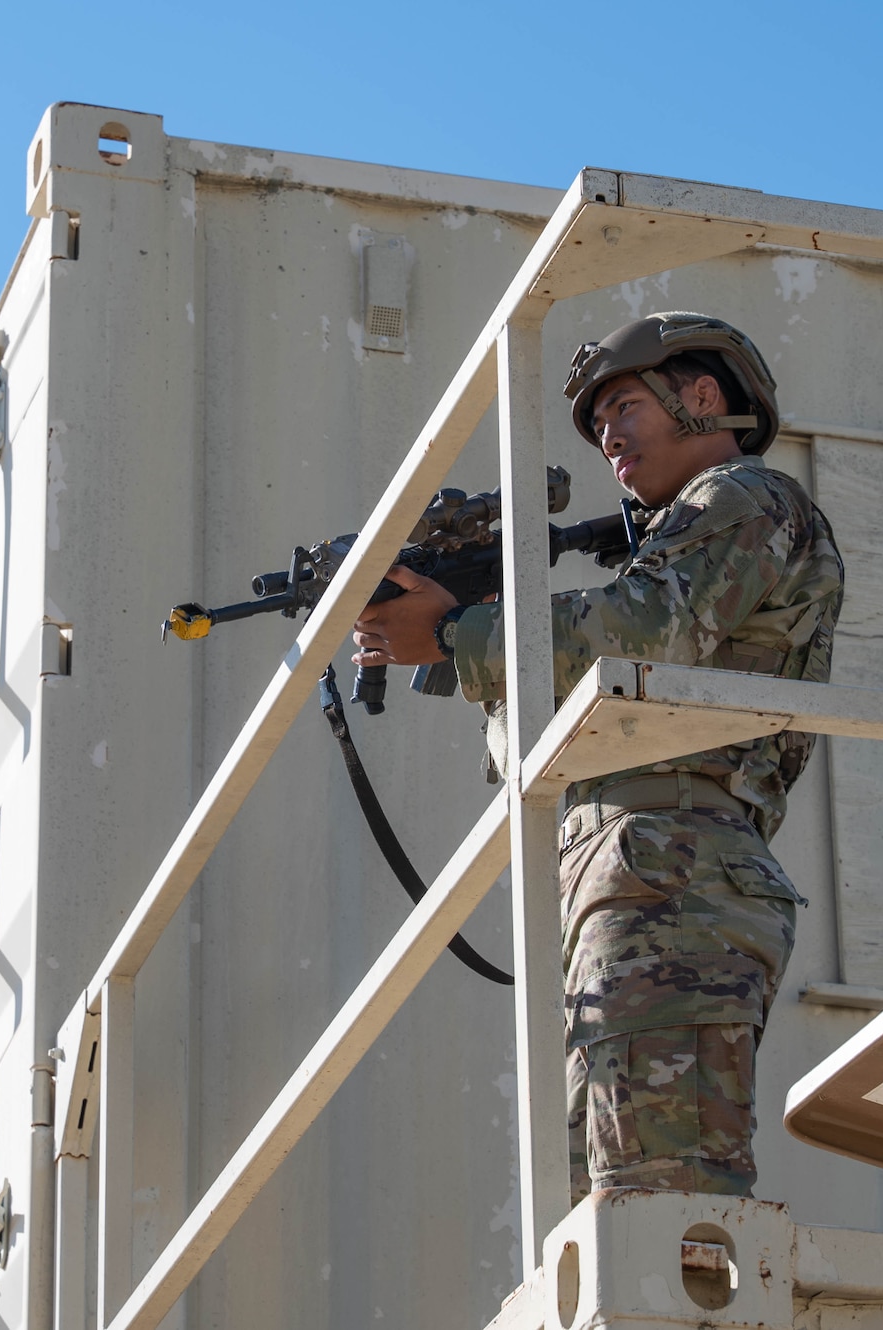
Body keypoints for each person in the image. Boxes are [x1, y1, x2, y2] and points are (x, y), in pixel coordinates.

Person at [350, 311, 844, 1203]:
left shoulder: (745, 497)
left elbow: (647, 628)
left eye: (624, 407)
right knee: (609, 1199)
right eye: (599, 422)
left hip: (674, 861)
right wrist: (461, 631)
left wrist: (460, 633)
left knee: (662, 1195)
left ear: (703, 397)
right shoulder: (686, 534)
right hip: (632, 869)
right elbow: (541, 735)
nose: (608, 437)